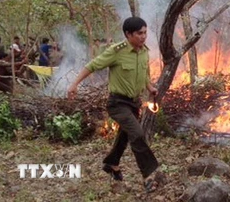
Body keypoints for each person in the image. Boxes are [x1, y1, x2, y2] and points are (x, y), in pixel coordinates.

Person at [67, 17, 162, 193]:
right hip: (118, 103)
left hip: (134, 103)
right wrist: (74, 85)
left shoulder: (144, 52)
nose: (143, 36)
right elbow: (92, 66)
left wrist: (150, 87)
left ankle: (112, 163)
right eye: (139, 33)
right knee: (138, 134)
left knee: (125, 136)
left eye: (145, 32)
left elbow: (145, 73)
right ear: (128, 34)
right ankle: (148, 176)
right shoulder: (116, 51)